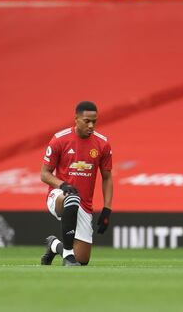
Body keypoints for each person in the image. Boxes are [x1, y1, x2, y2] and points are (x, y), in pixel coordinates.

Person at [39, 101, 113, 266]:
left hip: (84, 204)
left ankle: (54, 245)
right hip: (58, 196)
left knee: (82, 259)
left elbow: (107, 177)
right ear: (76, 119)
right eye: (87, 121)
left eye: (94, 121)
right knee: (71, 198)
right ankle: (67, 258)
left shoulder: (103, 144)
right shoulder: (59, 140)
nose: (91, 125)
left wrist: (107, 209)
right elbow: (44, 174)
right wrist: (62, 185)